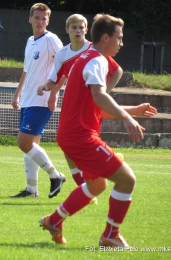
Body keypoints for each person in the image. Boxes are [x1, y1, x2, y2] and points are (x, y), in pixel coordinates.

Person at [39, 14, 157, 248]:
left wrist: (134, 110)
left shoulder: (86, 58)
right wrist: (126, 118)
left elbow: (96, 108)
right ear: (105, 38)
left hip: (72, 135)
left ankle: (53, 221)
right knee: (127, 180)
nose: (121, 43)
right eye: (119, 38)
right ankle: (110, 235)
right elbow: (100, 96)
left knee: (98, 185)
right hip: (80, 137)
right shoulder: (97, 60)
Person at [37, 14, 122, 199]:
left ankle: (99, 176)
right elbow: (54, 79)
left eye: (81, 27)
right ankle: (85, 186)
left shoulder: (95, 50)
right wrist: (45, 86)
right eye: (74, 27)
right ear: (67, 29)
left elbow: (117, 71)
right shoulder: (62, 54)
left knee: (85, 145)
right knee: (68, 148)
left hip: (88, 107)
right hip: (73, 104)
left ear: (86, 29)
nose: (78, 30)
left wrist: (102, 93)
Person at [10, 3, 65, 199]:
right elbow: (26, 71)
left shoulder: (51, 40)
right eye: (37, 18)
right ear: (30, 19)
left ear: (48, 21)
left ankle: (55, 176)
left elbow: (65, 67)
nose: (40, 21)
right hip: (28, 99)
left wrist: (53, 92)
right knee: (32, 145)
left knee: (24, 143)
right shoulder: (30, 41)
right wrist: (18, 95)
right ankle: (31, 190)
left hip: (42, 100)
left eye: (44, 18)